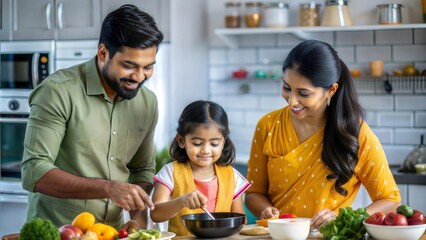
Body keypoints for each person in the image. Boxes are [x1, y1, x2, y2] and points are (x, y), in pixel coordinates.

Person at [20, 4, 164, 231]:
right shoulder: (58, 91)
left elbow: (142, 170)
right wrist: (108, 188)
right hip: (56, 232)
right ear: (103, 53)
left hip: (111, 233)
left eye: (148, 67)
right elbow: (33, 171)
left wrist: (138, 217)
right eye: (129, 65)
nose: (139, 76)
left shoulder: (147, 103)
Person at [244, 40, 401, 229]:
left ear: (331, 90)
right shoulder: (268, 125)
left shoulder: (357, 134)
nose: (292, 100)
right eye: (287, 88)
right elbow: (253, 194)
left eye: (303, 93)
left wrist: (345, 217)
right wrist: (266, 209)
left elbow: (390, 200)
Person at [150, 100, 251, 236]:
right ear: (181, 141)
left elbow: (239, 221)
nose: (205, 150)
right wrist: (181, 201)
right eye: (197, 143)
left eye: (214, 144)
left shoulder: (231, 176)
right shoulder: (171, 172)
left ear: (223, 142)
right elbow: (156, 213)